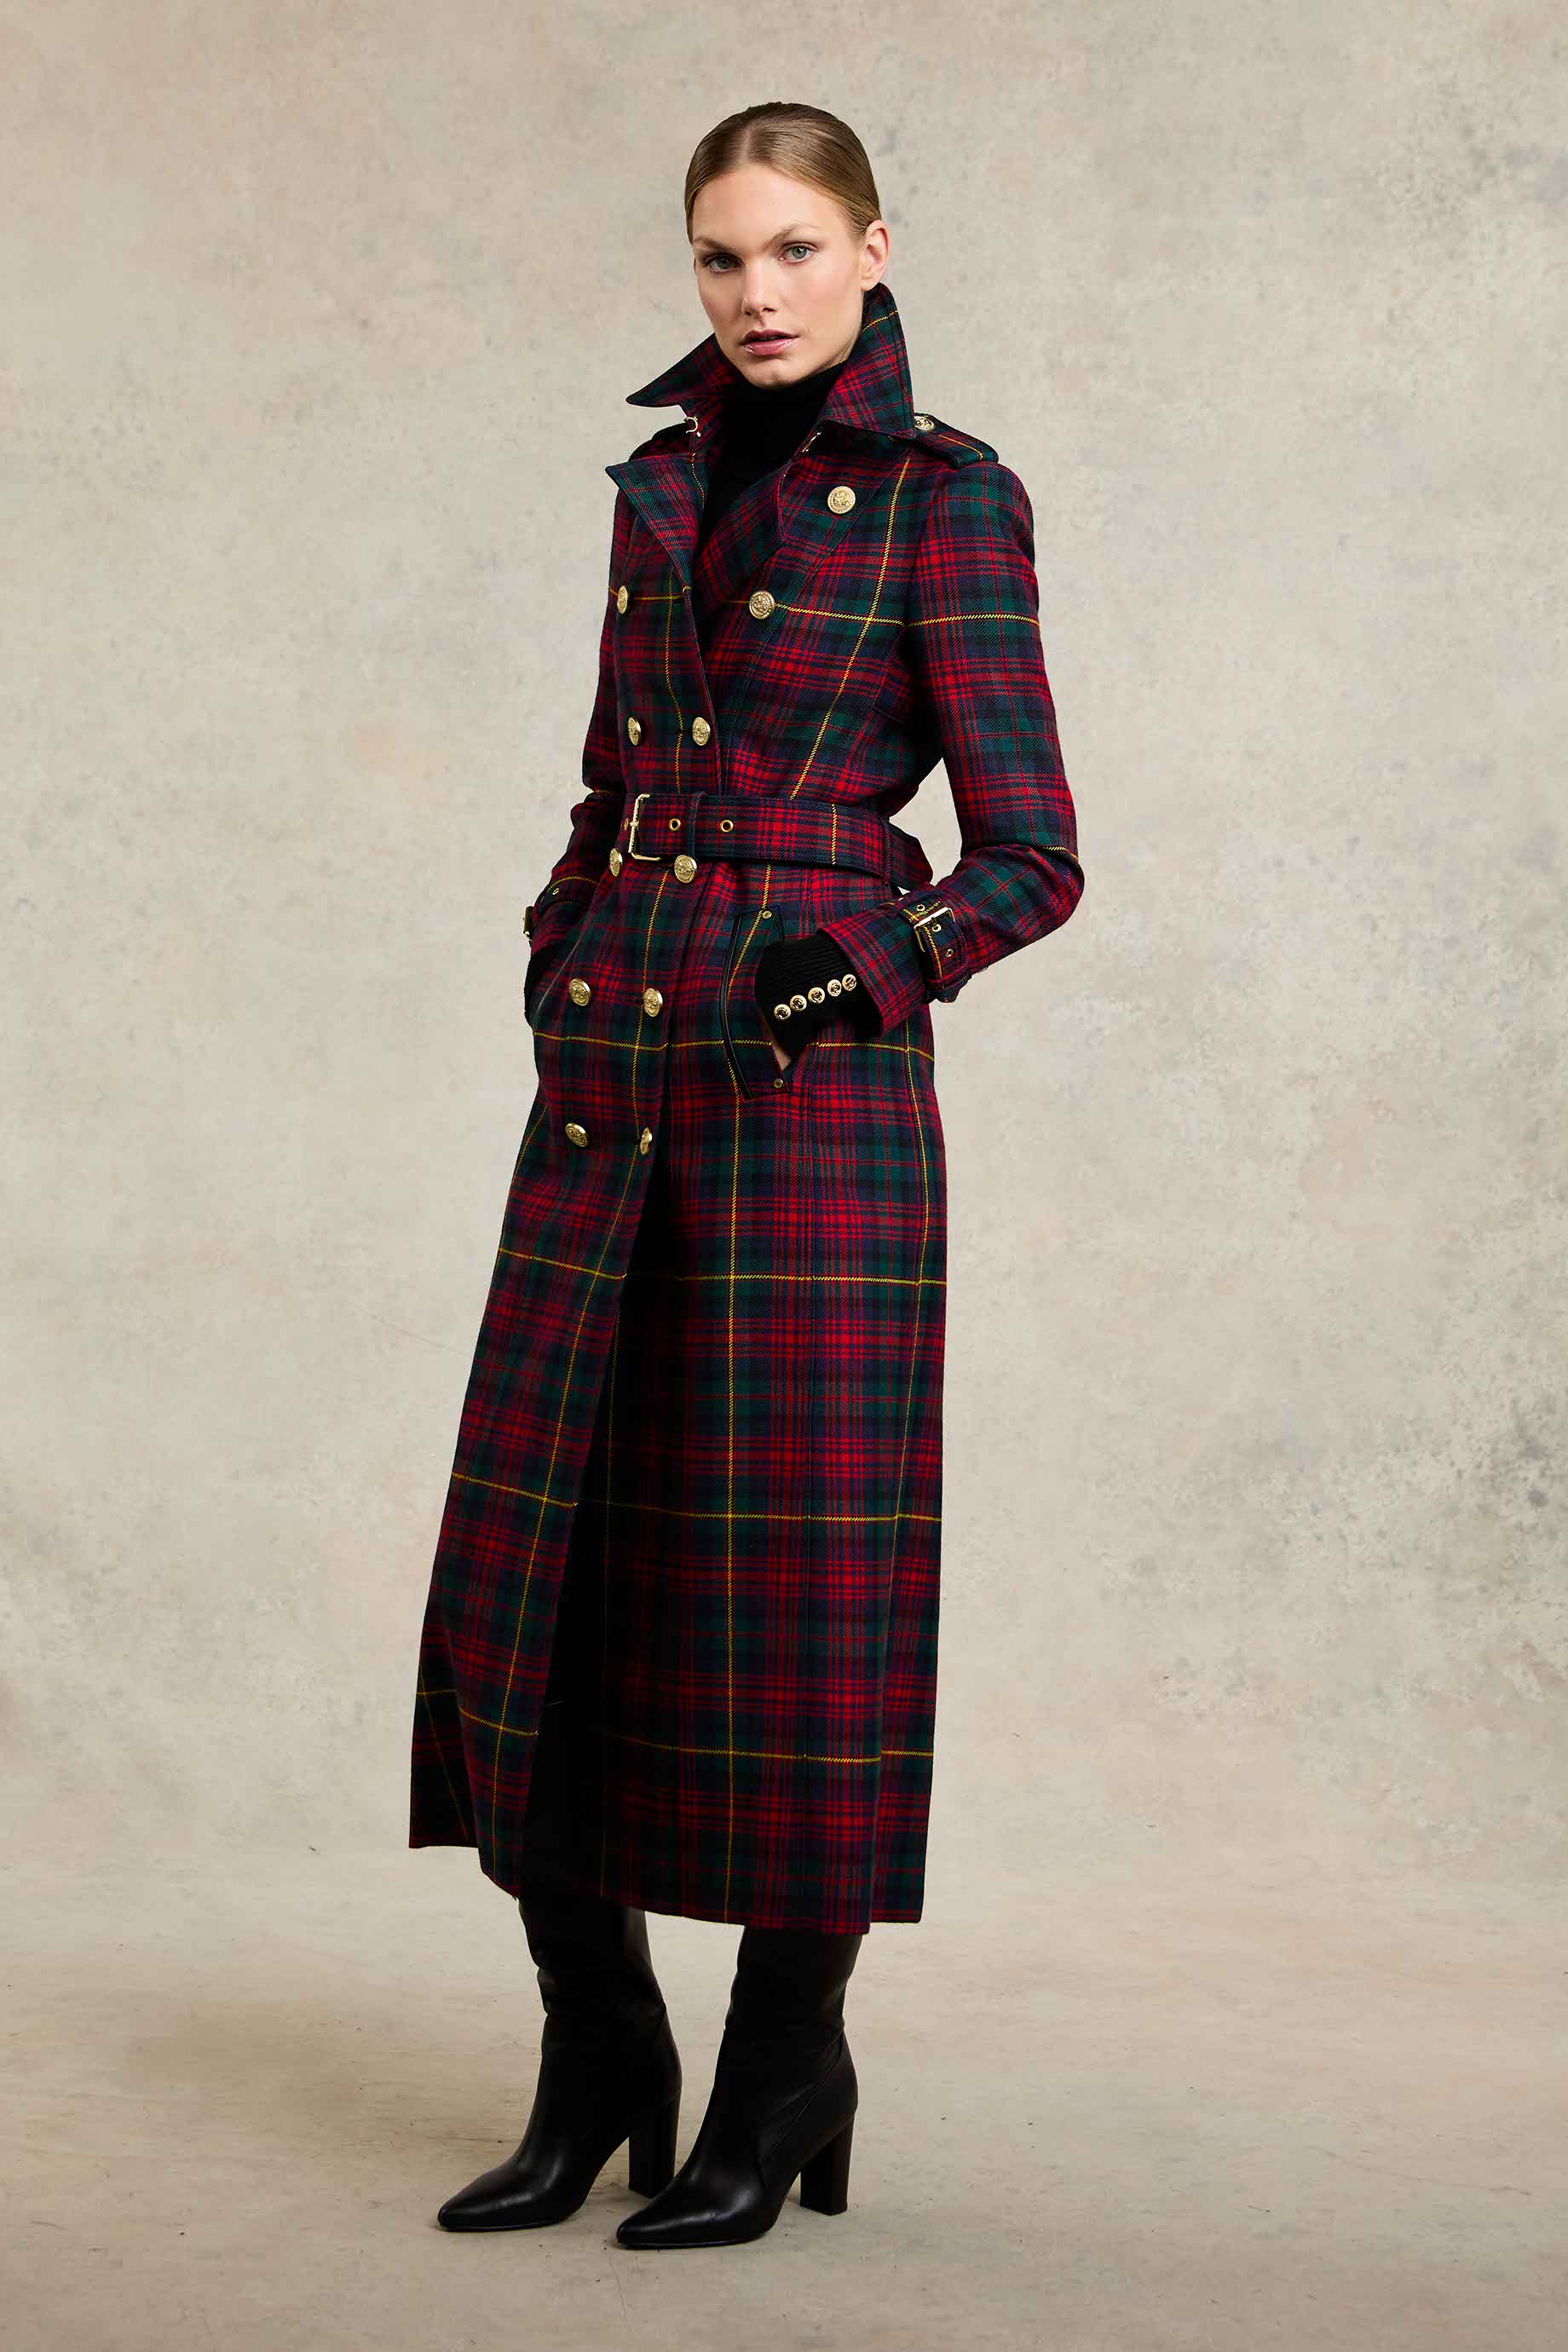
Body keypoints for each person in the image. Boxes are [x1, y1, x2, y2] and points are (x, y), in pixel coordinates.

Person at [412, 100, 1085, 2250]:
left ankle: (784, 2067)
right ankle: (596, 2047)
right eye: (719, 256)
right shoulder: (658, 482)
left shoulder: (945, 500)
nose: (754, 292)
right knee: (542, 1572)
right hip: (608, 1075)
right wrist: (563, 941)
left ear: (872, 249)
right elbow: (611, 778)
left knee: (796, 1608)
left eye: (793, 249)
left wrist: (858, 969)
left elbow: (1032, 854)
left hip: (807, 1121)